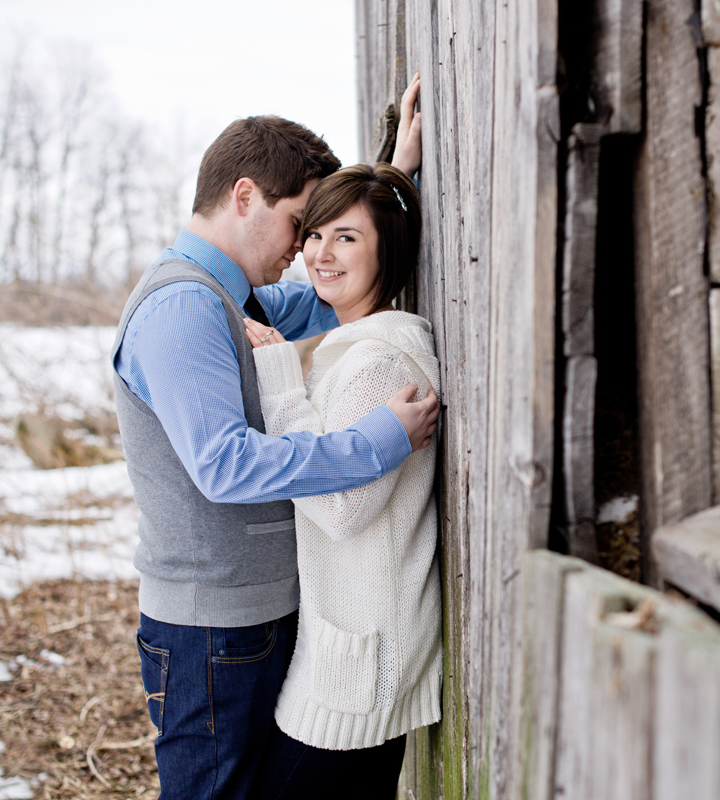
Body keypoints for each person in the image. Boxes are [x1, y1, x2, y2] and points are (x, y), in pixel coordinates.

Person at [111, 77, 433, 799]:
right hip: (210, 633)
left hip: (247, 622)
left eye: (318, 230)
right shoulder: (183, 306)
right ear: (246, 195)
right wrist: (379, 441)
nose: (303, 247)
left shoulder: (229, 295)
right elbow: (224, 468)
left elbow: (336, 283)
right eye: (298, 223)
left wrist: (393, 181)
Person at [242, 161, 439, 799]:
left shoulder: (376, 362)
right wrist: (394, 157)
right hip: (345, 651)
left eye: (347, 238)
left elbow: (340, 510)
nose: (322, 254)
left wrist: (279, 383)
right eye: (315, 234)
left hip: (356, 666)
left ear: (390, 248)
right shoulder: (355, 346)